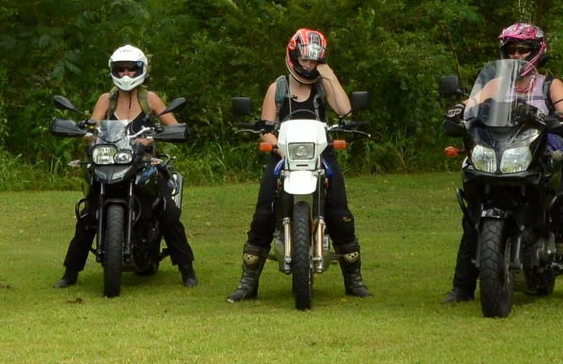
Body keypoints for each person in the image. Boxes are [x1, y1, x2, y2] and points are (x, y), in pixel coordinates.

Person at [446, 21, 563, 302]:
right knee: (474, 217)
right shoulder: (495, 83)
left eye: (523, 50)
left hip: (541, 156)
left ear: (537, 51)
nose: (517, 55)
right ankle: (461, 288)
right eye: (511, 50)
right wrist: (460, 110)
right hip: (498, 154)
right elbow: (472, 105)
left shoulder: (549, 85)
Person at [229, 27, 368, 301]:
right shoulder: (277, 87)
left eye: (315, 60)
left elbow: (345, 111)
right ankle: (248, 282)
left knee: (340, 212)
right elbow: (266, 128)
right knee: (263, 213)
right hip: (284, 156)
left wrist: (330, 76)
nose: (309, 65)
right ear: (294, 56)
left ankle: (354, 279)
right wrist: (279, 148)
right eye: (305, 59)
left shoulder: (322, 84)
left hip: (320, 155)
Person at [57, 44, 197, 288]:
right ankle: (70, 273)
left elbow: (173, 125)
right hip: (110, 163)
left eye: (132, 69)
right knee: (89, 213)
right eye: (120, 69)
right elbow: (93, 125)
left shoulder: (149, 98)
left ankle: (187, 270)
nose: (125, 74)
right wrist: (87, 132)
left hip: (144, 165)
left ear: (141, 70)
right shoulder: (106, 99)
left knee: (167, 210)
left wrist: (152, 137)